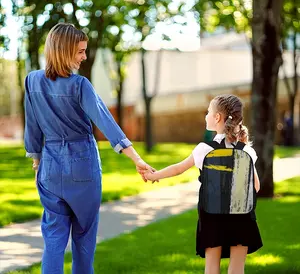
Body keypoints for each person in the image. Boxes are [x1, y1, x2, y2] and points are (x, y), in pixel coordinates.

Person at [24, 23, 153, 274]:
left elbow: (32, 127)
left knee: (53, 239)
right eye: (80, 51)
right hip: (82, 164)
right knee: (84, 238)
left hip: (49, 167)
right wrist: (136, 158)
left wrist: (37, 163)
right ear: (64, 51)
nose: (84, 57)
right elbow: (106, 122)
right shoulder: (79, 85)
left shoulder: (32, 81)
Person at [144, 94, 263, 274]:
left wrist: (154, 176)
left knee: (211, 268)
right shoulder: (246, 150)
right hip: (241, 216)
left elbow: (178, 169)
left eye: (208, 112)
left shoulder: (205, 149)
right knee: (237, 269)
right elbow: (256, 186)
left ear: (217, 118)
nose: (206, 116)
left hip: (212, 217)